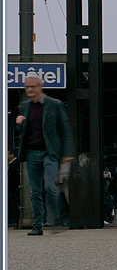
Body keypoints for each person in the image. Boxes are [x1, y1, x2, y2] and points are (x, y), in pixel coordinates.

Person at [14, 75, 74, 235]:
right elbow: (21, 132)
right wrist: (18, 124)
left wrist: (67, 153)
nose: (30, 90)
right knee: (34, 191)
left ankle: (55, 220)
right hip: (31, 153)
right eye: (27, 87)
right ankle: (37, 226)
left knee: (49, 186)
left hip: (50, 152)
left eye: (33, 86)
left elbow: (65, 129)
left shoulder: (54, 105)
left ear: (40, 87)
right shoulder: (24, 107)